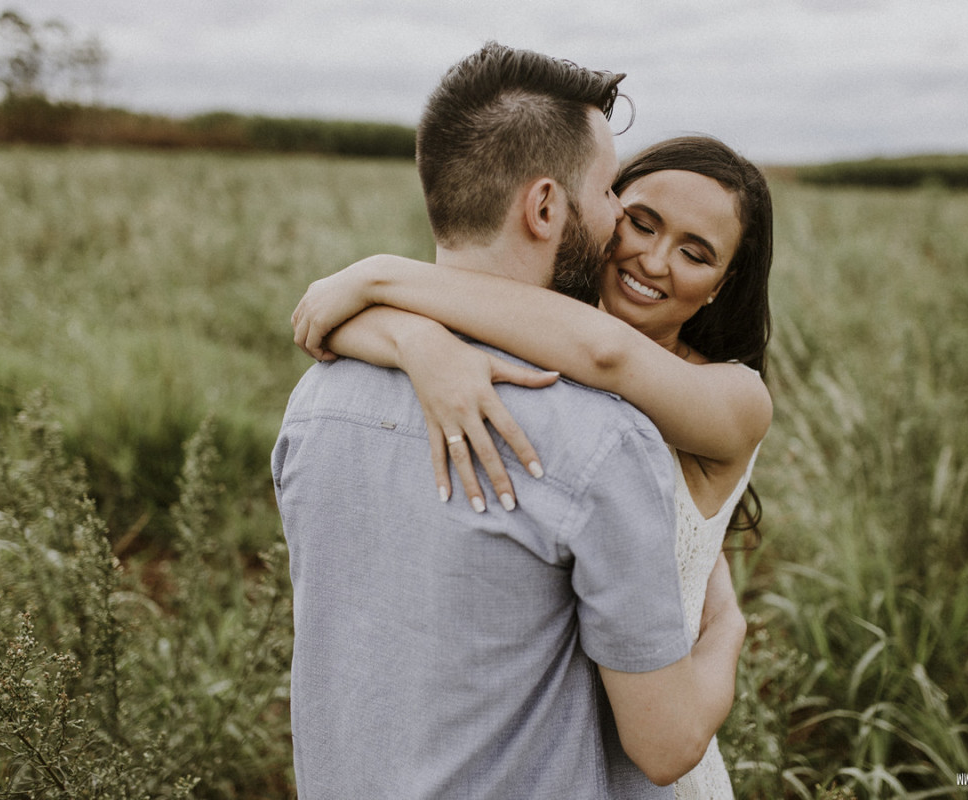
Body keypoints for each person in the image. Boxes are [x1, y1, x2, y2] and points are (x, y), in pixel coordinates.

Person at [272, 42, 748, 799]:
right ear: (547, 206)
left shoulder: (317, 400)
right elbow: (664, 747)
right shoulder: (600, 442)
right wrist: (728, 630)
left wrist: (393, 307)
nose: (621, 224)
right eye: (611, 196)